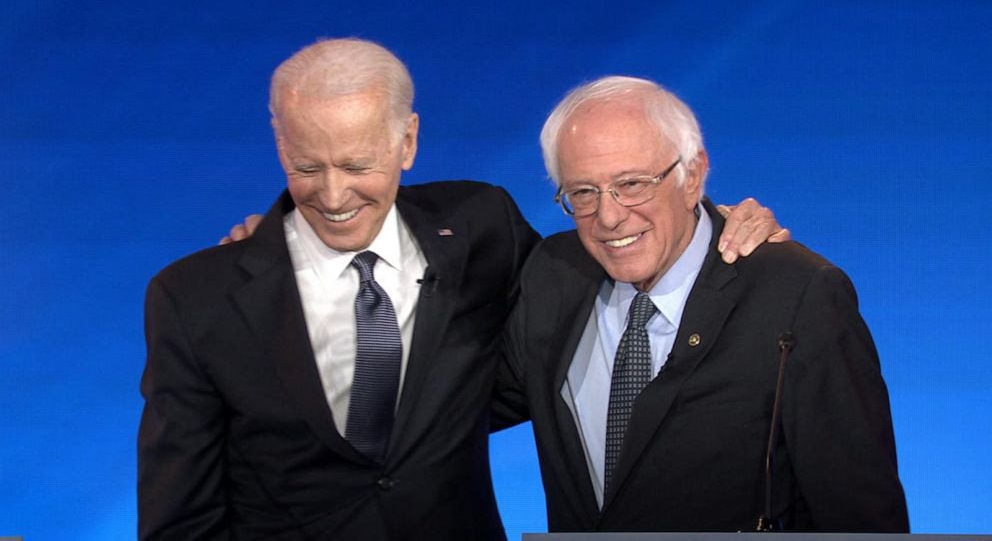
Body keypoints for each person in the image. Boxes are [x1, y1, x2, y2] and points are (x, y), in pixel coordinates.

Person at [139, 38, 787, 540]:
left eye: (358, 165)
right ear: (279, 141)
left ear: (408, 141)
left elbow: (604, 271)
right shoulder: (195, 300)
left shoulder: (482, 227)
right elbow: (180, 517)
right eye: (308, 166)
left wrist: (710, 218)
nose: (333, 196)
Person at [495, 76, 909, 532]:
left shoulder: (797, 295)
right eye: (583, 193)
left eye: (632, 184)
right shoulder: (552, 276)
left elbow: (862, 515)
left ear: (691, 176)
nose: (609, 217)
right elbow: (444, 410)